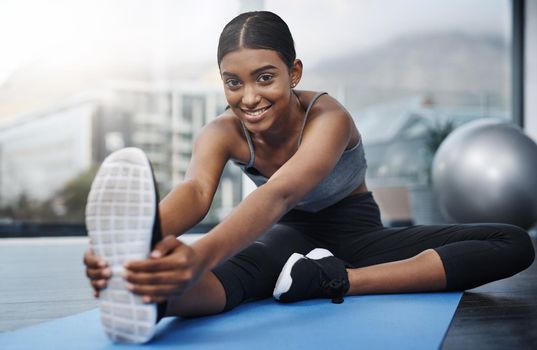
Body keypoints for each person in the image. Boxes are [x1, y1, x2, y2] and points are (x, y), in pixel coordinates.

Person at [83, 11, 535, 343]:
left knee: (514, 242)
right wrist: (143, 241)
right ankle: (153, 296)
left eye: (264, 78)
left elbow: (282, 191)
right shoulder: (221, 131)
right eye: (233, 82)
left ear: (293, 72)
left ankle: (336, 279)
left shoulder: (328, 116)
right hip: (288, 239)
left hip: (359, 235)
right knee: (244, 274)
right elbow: (196, 191)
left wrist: (199, 255)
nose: (249, 96)